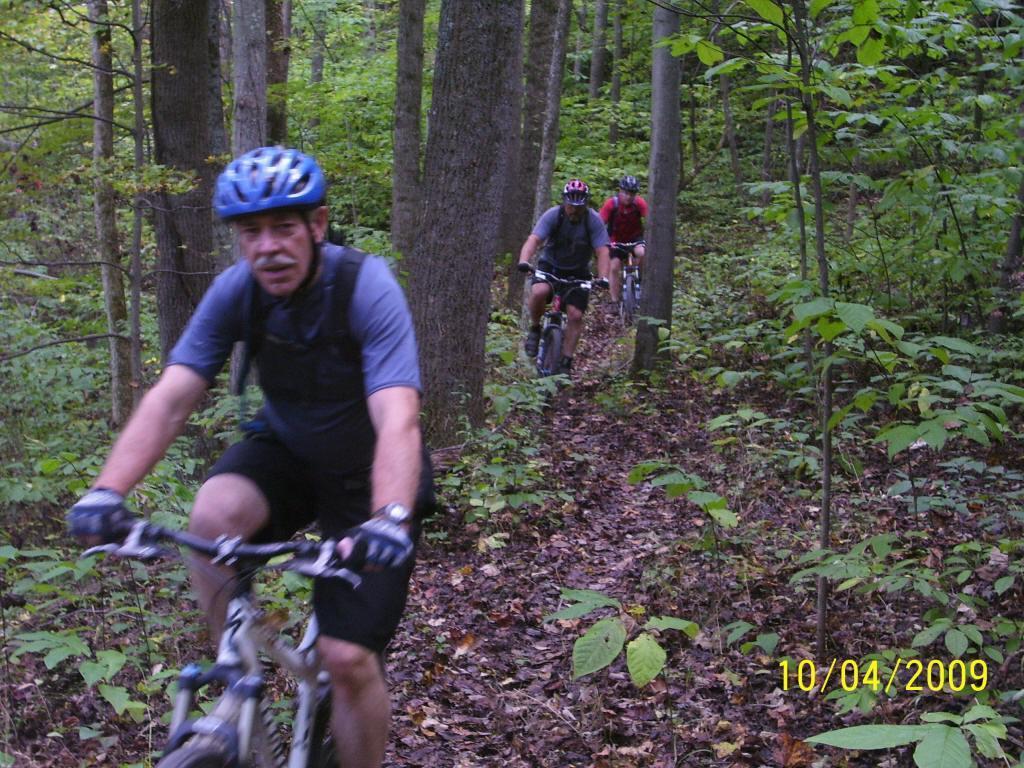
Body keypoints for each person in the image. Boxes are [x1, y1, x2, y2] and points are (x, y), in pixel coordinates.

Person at [67, 146, 434, 768]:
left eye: (284, 228)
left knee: (347, 660)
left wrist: (390, 518)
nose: (268, 247)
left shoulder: (365, 287)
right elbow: (172, 398)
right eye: (251, 232)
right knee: (210, 516)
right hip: (287, 452)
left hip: (369, 481)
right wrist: (107, 492)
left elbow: (397, 416)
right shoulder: (238, 291)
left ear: (316, 226)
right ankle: (233, 667)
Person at [516, 179, 610, 376]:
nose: (574, 211)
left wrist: (604, 277)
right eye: (570, 206)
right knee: (539, 291)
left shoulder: (592, 220)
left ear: (585, 204)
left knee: (575, 315)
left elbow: (602, 251)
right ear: (564, 202)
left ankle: (566, 361)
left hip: (578, 272)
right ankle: (535, 329)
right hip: (551, 266)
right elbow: (534, 239)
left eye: (579, 207)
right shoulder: (554, 215)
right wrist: (524, 260)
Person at [598, 175, 648, 309]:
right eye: (626, 193)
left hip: (635, 238)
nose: (628, 196)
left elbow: (650, 219)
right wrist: (602, 241)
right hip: (616, 240)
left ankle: (640, 278)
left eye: (632, 193)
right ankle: (614, 301)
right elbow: (599, 224)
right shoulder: (611, 204)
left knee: (642, 253)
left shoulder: (639, 204)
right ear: (620, 191)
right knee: (614, 267)